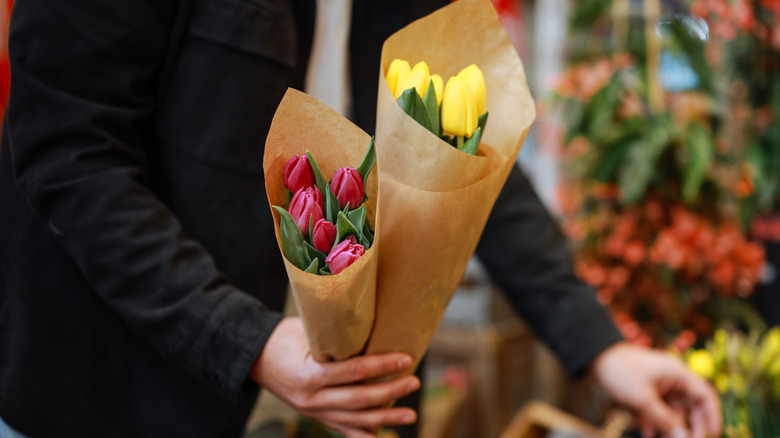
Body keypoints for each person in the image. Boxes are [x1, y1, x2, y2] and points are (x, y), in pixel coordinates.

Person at [0, 1, 720, 438]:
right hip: (123, 399)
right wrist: (246, 341)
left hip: (346, 408)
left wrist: (601, 350)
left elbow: (466, 164)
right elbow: (69, 152)